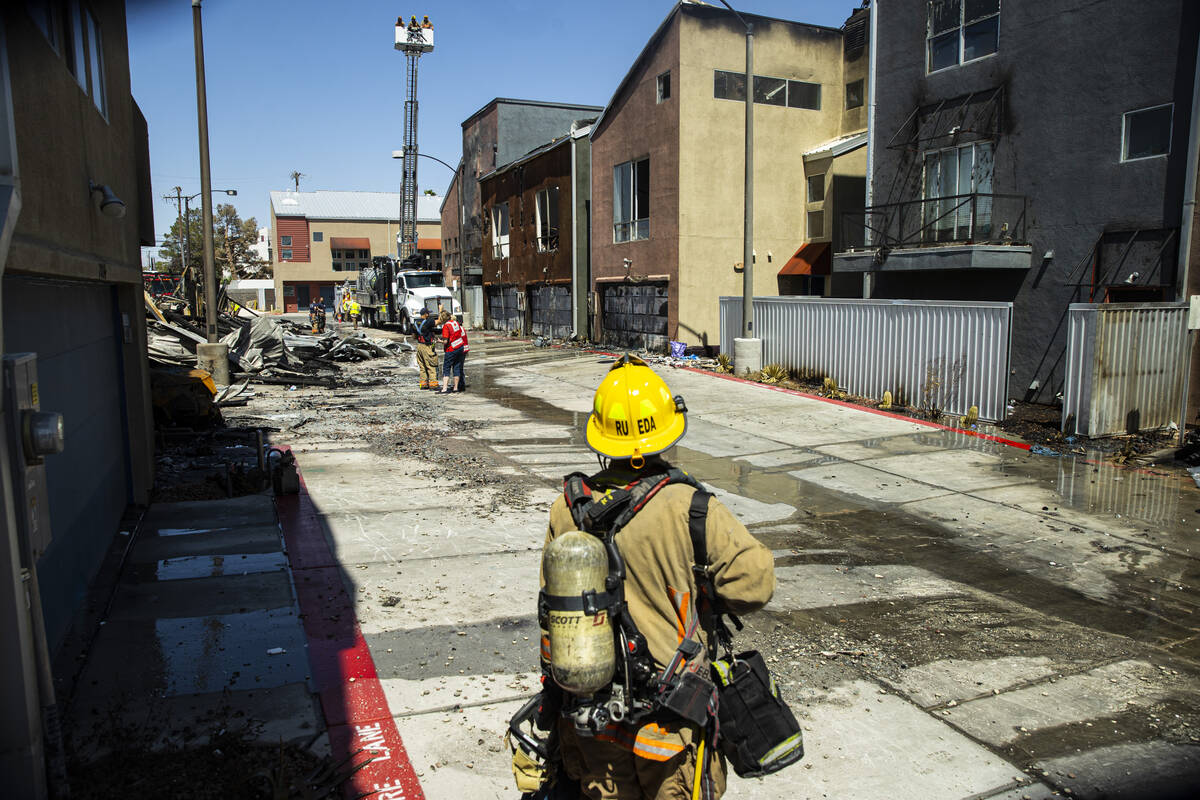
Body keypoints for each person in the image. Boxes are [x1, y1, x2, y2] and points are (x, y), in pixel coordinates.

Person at [540, 354, 775, 800]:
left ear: (600, 435)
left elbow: (550, 606)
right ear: (667, 429)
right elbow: (756, 582)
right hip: (670, 727)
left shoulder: (566, 508)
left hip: (594, 721)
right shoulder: (692, 508)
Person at [437, 310, 468, 394]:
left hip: (451, 349)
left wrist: (440, 341)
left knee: (446, 368)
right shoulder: (456, 323)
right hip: (460, 347)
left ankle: (444, 389)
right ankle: (456, 388)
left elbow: (446, 341)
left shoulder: (446, 326)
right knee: (456, 367)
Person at [415, 307, 440, 390]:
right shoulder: (428, 321)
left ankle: (424, 384)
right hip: (427, 346)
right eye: (428, 313)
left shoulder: (416, 322)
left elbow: (413, 336)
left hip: (419, 346)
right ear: (425, 314)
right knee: (430, 365)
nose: (429, 315)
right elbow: (439, 321)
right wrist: (440, 310)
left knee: (422, 366)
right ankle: (433, 385)